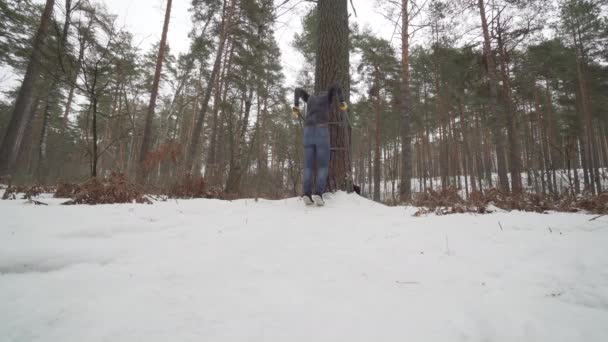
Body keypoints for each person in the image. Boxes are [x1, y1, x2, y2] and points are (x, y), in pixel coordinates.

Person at [293, 84, 348, 206]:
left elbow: (297, 90)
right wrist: (342, 101)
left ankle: (306, 194)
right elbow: (336, 87)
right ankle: (318, 193)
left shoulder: (310, 98)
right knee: (323, 166)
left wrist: (296, 105)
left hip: (308, 131)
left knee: (308, 166)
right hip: (321, 130)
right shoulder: (327, 96)